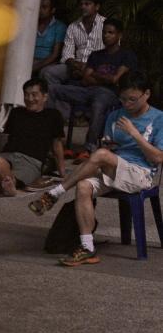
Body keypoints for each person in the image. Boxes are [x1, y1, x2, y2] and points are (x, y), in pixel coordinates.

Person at [29, 71, 163, 267]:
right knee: (83, 186)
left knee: (100, 154)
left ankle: (55, 193)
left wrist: (135, 134)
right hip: (113, 168)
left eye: (132, 99)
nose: (127, 104)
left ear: (147, 94)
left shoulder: (159, 118)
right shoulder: (115, 116)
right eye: (123, 99)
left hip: (141, 174)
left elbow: (158, 157)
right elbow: (110, 146)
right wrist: (110, 146)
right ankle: (87, 246)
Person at [48, 18, 137, 158]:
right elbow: (85, 79)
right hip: (87, 90)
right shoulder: (96, 55)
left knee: (99, 102)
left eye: (110, 32)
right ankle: (53, 140)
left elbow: (116, 80)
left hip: (110, 94)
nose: (106, 35)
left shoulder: (126, 55)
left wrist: (95, 75)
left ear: (120, 35)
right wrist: (104, 78)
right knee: (52, 89)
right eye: (104, 32)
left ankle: (89, 148)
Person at [0, 78, 64, 197]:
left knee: (14, 175)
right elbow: (5, 138)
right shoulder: (16, 113)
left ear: (44, 97)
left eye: (34, 95)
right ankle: (6, 186)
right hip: (8, 154)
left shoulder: (53, 115)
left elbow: (56, 144)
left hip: (31, 160)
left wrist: (62, 172)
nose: (30, 99)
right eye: (26, 95)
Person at [41, 0, 104, 88]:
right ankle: (61, 100)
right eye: (81, 4)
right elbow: (67, 54)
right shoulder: (73, 26)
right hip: (74, 66)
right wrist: (74, 65)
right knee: (47, 72)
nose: (83, 7)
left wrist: (87, 68)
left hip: (97, 68)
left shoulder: (106, 25)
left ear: (97, 6)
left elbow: (111, 54)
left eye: (87, 4)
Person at [33, 0, 65, 76]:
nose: (40, 10)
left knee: (45, 72)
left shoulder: (59, 26)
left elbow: (55, 54)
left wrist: (35, 67)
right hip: (29, 60)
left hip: (47, 62)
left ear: (52, 10)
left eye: (44, 7)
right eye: (39, 7)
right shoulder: (30, 24)